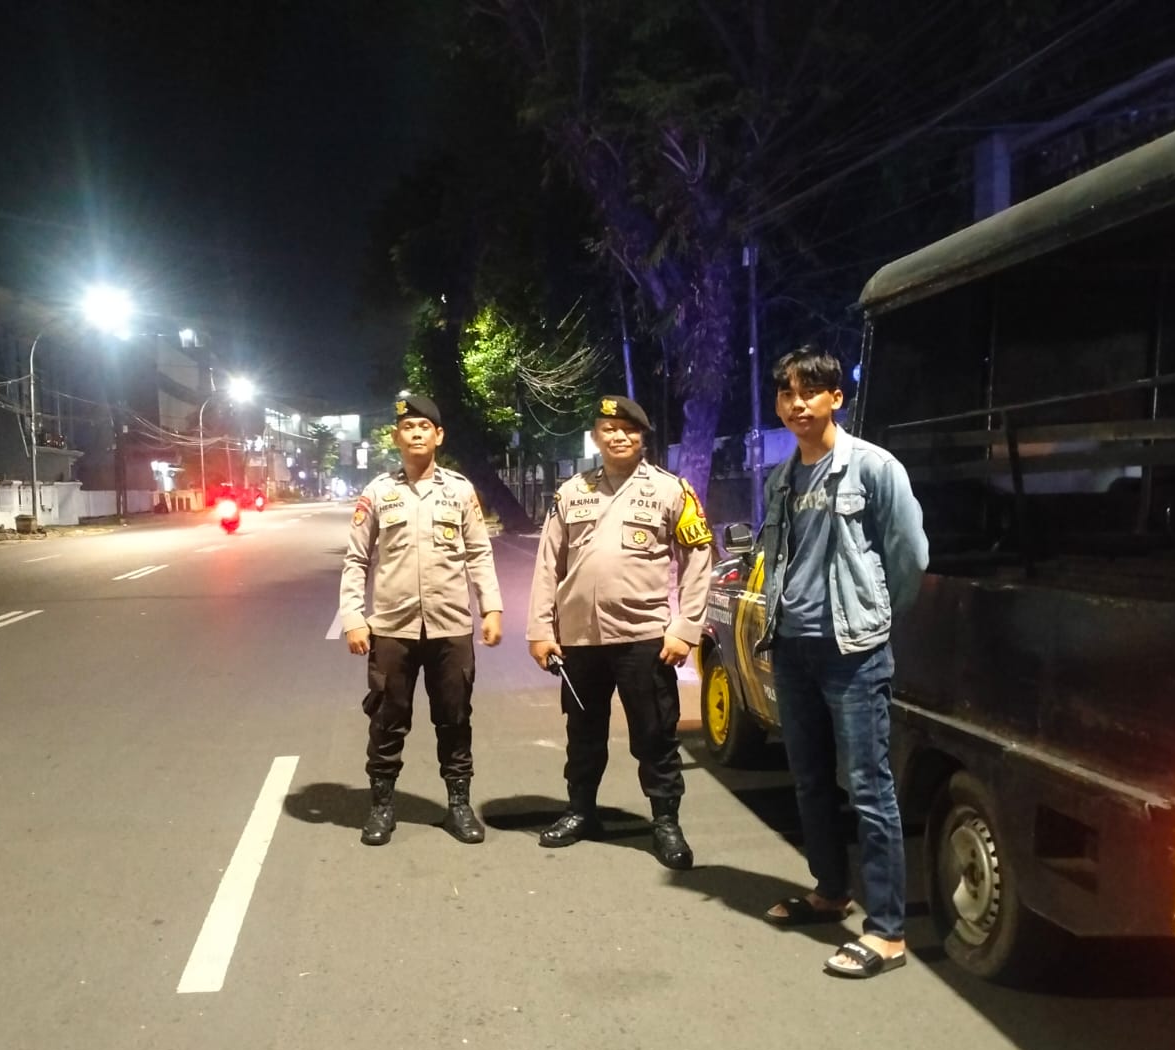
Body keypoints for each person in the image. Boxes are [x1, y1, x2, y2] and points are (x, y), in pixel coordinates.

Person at [756, 346, 929, 980]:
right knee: (808, 779)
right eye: (786, 393)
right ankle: (830, 892)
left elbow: (909, 554)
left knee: (868, 788)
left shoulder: (874, 468)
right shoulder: (781, 479)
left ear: (836, 397)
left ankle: (887, 932)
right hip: (793, 647)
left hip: (852, 652)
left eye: (809, 391)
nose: (796, 403)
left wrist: (875, 618)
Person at [526, 395, 715, 870]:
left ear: (642, 437)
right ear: (596, 436)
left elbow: (698, 559)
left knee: (655, 735)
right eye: (608, 428)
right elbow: (548, 563)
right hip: (580, 640)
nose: (618, 436)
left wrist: (685, 627)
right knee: (582, 732)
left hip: (644, 637)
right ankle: (581, 811)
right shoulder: (572, 492)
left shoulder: (671, 491)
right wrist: (541, 629)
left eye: (628, 429)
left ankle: (665, 822)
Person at [339, 393, 504, 846]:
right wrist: (353, 615)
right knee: (387, 720)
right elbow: (356, 559)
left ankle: (458, 805)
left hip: (451, 626)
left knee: (455, 718)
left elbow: (479, 552)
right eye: (407, 427)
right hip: (392, 628)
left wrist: (491, 607)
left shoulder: (460, 491)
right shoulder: (378, 493)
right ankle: (381, 805)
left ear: (438, 436)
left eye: (424, 427)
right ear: (397, 437)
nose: (415, 433)